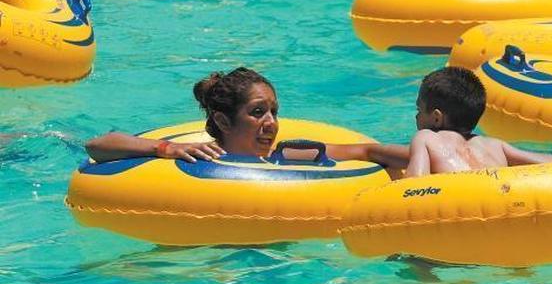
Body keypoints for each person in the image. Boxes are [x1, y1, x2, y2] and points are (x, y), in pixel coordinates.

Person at [84, 68, 411, 178]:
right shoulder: (206, 156)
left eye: (274, 111)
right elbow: (97, 146)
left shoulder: (284, 157)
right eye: (257, 113)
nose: (271, 122)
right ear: (224, 121)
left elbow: (370, 151)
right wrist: (165, 148)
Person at [406, 67, 552, 177]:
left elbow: (413, 186)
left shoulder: (425, 138)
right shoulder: (495, 145)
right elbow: (551, 162)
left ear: (437, 118)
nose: (416, 116)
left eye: (419, 109)